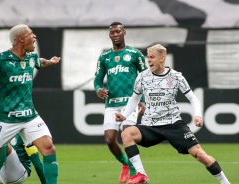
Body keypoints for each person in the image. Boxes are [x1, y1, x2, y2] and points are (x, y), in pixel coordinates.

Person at [115, 44, 231, 184]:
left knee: (201, 156)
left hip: (173, 125)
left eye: (152, 57)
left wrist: (198, 115)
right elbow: (135, 98)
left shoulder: (176, 77)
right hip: (150, 126)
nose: (149, 60)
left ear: (162, 58)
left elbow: (192, 98)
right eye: (148, 57)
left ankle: (225, 182)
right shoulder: (142, 77)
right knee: (127, 133)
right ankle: (141, 175)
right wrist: (125, 115)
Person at [0, 24, 59, 184]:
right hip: (6, 119)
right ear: (21, 39)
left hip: (29, 116)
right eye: (31, 33)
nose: (35, 36)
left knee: (48, 148)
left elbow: (40, 62)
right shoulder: (0, 59)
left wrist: (50, 62)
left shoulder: (32, 58)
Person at [94, 22, 147, 183]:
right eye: (112, 32)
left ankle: (135, 170)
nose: (115, 34)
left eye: (118, 31)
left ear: (124, 32)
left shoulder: (134, 53)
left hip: (131, 102)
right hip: (112, 103)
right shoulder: (105, 57)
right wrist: (99, 90)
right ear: (110, 35)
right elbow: (97, 80)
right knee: (110, 140)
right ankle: (125, 164)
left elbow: (144, 77)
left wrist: (143, 100)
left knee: (126, 133)